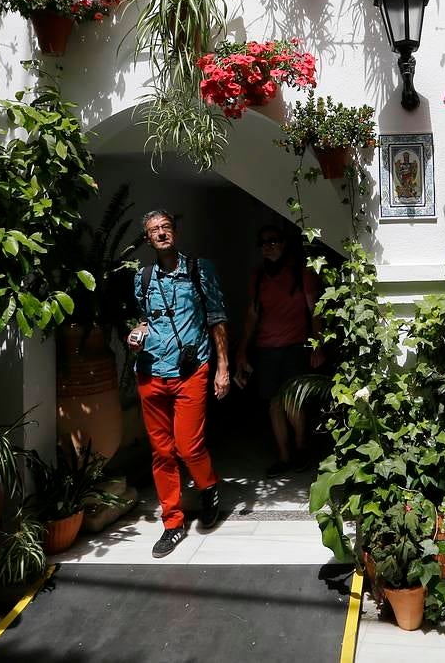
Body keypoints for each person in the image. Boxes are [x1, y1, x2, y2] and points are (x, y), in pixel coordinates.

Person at [126, 210, 230, 558]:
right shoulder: (142, 278)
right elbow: (144, 319)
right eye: (154, 230)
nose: (160, 234)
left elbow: (217, 318)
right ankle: (172, 522)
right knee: (162, 452)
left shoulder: (200, 270)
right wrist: (138, 333)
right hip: (150, 371)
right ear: (148, 238)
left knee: (189, 447)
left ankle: (208, 485)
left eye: (165, 228)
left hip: (191, 370)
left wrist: (223, 367)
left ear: (175, 232)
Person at [234, 224, 323, 476]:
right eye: (263, 242)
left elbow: (314, 309)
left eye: (273, 241)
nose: (268, 246)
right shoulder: (258, 276)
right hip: (266, 348)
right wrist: (242, 350)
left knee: (293, 402)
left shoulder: (301, 272)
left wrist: (318, 345)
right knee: (274, 404)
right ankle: (284, 456)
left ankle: (301, 449)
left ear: (284, 243)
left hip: (295, 346)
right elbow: (252, 313)